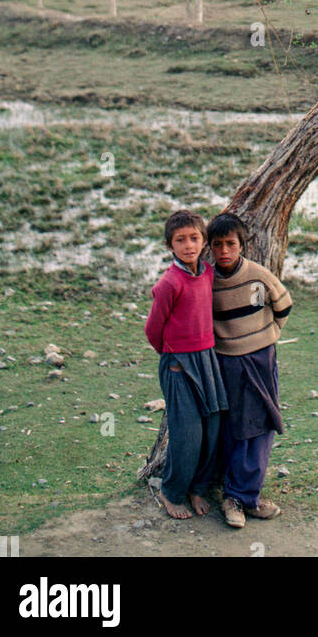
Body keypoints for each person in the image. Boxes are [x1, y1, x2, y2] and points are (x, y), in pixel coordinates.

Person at [208, 212, 293, 529]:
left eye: (231, 244)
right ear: (211, 248)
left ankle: (247, 497)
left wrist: (265, 336)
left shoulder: (258, 276)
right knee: (231, 427)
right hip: (225, 362)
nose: (224, 251)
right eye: (217, 245)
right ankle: (233, 497)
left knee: (260, 424)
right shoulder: (209, 282)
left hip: (260, 359)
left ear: (242, 244)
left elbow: (283, 305)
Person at [143, 210, 228, 520]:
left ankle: (198, 487)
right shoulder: (169, 283)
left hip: (208, 360)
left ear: (204, 242)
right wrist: (174, 356)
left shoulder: (207, 273)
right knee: (188, 434)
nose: (188, 245)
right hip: (179, 364)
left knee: (213, 428)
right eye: (181, 240)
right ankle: (172, 492)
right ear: (170, 246)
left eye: (194, 238)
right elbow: (153, 329)